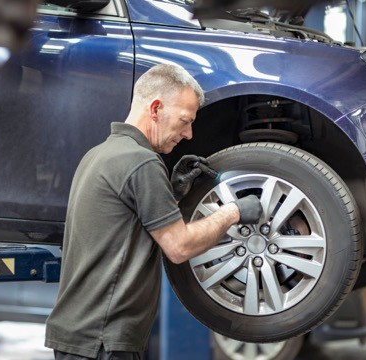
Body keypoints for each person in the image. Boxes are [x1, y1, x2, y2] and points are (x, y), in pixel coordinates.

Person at [45, 64, 262, 360]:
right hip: (104, 341)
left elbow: (122, 230)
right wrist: (233, 212)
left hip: (79, 335)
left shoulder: (98, 155)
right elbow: (179, 246)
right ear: (156, 108)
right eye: (185, 121)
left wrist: (171, 193)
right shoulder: (141, 162)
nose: (188, 134)